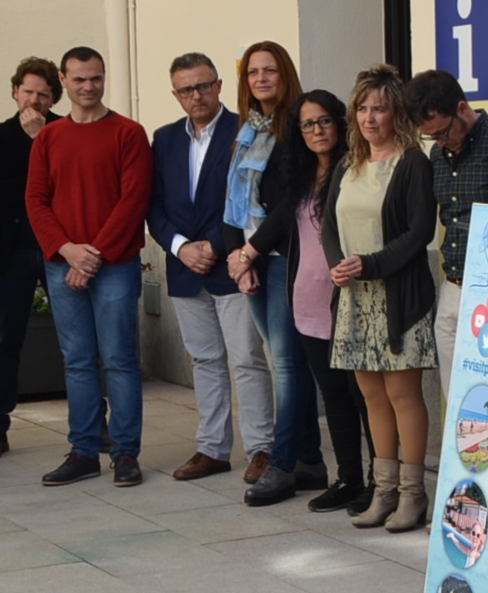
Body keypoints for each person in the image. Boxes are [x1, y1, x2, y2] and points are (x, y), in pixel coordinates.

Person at [27, 46, 153, 488]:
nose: (88, 87)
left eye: (96, 78)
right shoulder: (48, 137)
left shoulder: (128, 133)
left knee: (120, 359)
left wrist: (92, 254)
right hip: (63, 264)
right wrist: (66, 250)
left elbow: (133, 200)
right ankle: (83, 450)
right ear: (63, 80)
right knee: (77, 361)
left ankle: (124, 452)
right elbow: (36, 200)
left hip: (114, 264)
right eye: (79, 79)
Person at [149, 53, 275, 489]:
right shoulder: (164, 139)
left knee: (246, 360)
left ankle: (261, 448)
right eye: (186, 89)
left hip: (234, 264)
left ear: (220, 85)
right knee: (204, 360)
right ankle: (212, 449)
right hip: (185, 269)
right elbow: (155, 205)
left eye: (203, 86)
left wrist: (218, 247)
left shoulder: (247, 131)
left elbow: (250, 201)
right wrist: (182, 248)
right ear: (175, 94)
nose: (196, 95)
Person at [246, 89, 372, 515]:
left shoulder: (355, 169)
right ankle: (347, 478)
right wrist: (246, 254)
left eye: (323, 121)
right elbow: (281, 219)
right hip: (307, 299)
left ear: (340, 123)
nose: (316, 130)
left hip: (348, 297)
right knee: (333, 396)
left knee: (362, 395)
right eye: (307, 124)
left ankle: (378, 482)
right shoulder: (301, 174)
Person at [324, 67, 438, 532]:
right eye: (363, 108)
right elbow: (329, 225)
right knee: (371, 395)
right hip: (354, 297)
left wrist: (369, 264)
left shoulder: (412, 162)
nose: (370, 118)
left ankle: (413, 495)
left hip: (397, 294)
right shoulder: (348, 164)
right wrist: (337, 263)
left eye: (381, 109)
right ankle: (384, 490)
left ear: (397, 114)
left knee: (401, 394)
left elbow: (418, 233)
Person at [224, 42, 325, 495]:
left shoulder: (294, 128)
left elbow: (288, 205)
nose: (261, 79)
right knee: (287, 363)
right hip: (253, 261)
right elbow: (233, 204)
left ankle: (282, 464)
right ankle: (309, 460)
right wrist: (238, 259)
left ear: (285, 75)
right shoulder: (247, 130)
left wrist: (251, 254)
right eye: (252, 73)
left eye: (270, 71)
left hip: (284, 257)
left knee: (286, 364)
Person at [407, 68, 488, 405]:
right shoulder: (438, 153)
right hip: (451, 285)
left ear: (463, 109)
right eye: (430, 136)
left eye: (442, 132)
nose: (439, 142)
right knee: (457, 400)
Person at [0, 58, 61, 460]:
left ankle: (95, 422)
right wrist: (34, 144)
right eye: (28, 91)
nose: (35, 100)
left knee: (76, 341)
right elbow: (3, 193)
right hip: (14, 251)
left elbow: (67, 188)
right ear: (14, 92)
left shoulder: (64, 131)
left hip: (58, 248)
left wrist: (43, 139)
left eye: (44, 94)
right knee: (5, 340)